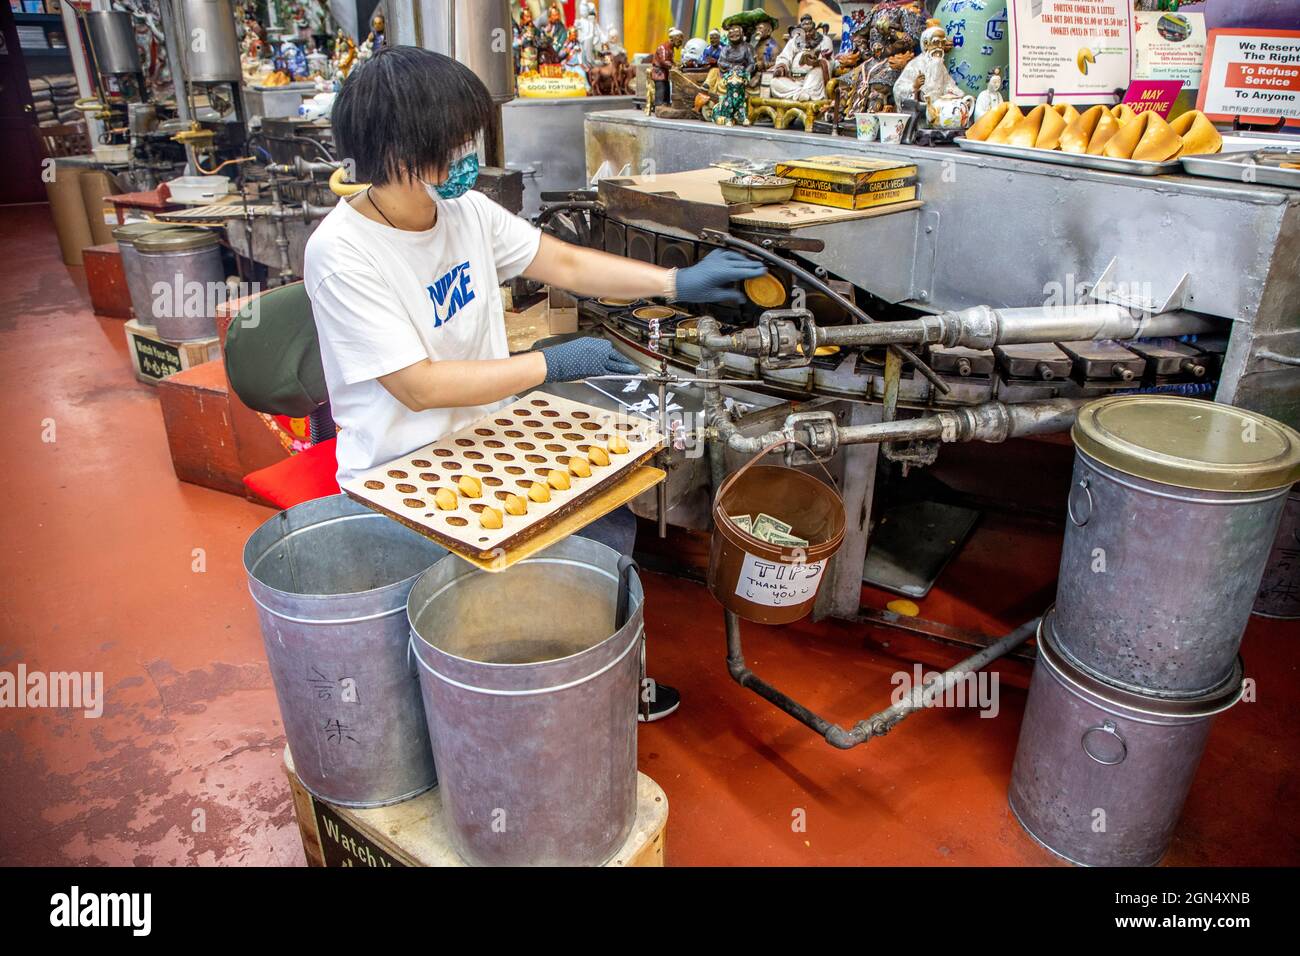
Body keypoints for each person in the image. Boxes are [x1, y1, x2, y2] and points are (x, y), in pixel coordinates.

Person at [305, 48, 765, 720]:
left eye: (468, 138)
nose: (467, 156)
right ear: (398, 151)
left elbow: (565, 263)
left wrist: (677, 282)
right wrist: (553, 364)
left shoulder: (465, 213)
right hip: (404, 470)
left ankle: (599, 688)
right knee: (476, 614)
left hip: (487, 438)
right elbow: (418, 386)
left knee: (606, 517)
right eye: (451, 144)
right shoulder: (343, 253)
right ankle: (525, 712)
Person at [771, 13, 833, 101]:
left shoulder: (824, 40)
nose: (807, 34)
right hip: (793, 81)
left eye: (810, 31)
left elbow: (829, 61)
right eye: (804, 32)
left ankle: (803, 94)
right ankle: (802, 94)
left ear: (815, 29)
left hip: (812, 80)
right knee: (774, 83)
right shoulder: (794, 41)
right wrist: (781, 67)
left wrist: (815, 62)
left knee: (818, 72)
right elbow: (784, 57)